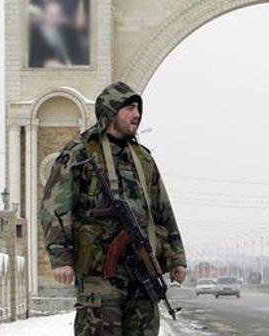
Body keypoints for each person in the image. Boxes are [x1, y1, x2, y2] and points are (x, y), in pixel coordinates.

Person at [40, 81, 187, 335]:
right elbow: (54, 207)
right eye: (129, 108)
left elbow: (162, 210)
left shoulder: (142, 158)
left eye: (138, 108)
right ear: (111, 111)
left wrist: (176, 257)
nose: (137, 115)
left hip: (142, 275)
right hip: (99, 278)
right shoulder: (80, 153)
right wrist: (60, 258)